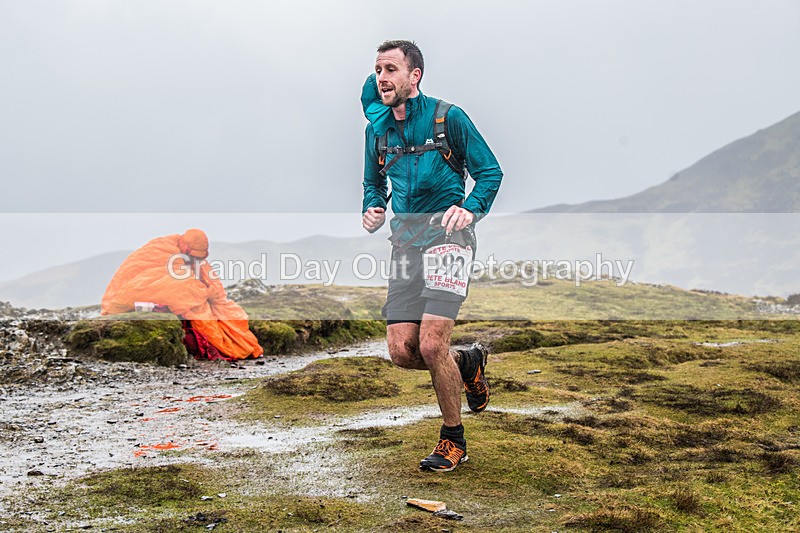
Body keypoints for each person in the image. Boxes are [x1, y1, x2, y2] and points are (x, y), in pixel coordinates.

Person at [361, 40, 503, 471]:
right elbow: (372, 182)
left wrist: (471, 208)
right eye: (377, 69)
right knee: (404, 350)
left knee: (431, 341)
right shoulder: (377, 130)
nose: (382, 78)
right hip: (405, 244)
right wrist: (373, 206)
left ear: (414, 76)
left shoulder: (448, 118)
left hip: (448, 241)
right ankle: (467, 362)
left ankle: (452, 440)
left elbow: (490, 172)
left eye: (391, 69)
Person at [101, 228, 263, 360]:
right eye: (193, 256)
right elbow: (169, 282)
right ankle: (220, 342)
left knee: (196, 295)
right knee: (187, 292)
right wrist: (203, 292)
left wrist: (208, 290)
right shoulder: (161, 248)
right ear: (186, 248)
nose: (196, 260)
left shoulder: (189, 255)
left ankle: (230, 341)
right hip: (126, 294)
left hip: (157, 296)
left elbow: (202, 276)